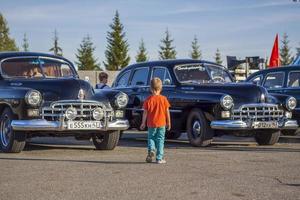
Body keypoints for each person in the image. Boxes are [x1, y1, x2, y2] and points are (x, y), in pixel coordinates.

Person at [140, 78, 171, 164]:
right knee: (160, 140)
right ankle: (159, 158)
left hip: (151, 123)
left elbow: (145, 113)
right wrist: (169, 122)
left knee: (151, 138)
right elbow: (167, 112)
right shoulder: (164, 99)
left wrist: (143, 123)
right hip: (161, 123)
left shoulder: (148, 100)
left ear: (150, 88)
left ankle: (152, 149)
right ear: (161, 88)